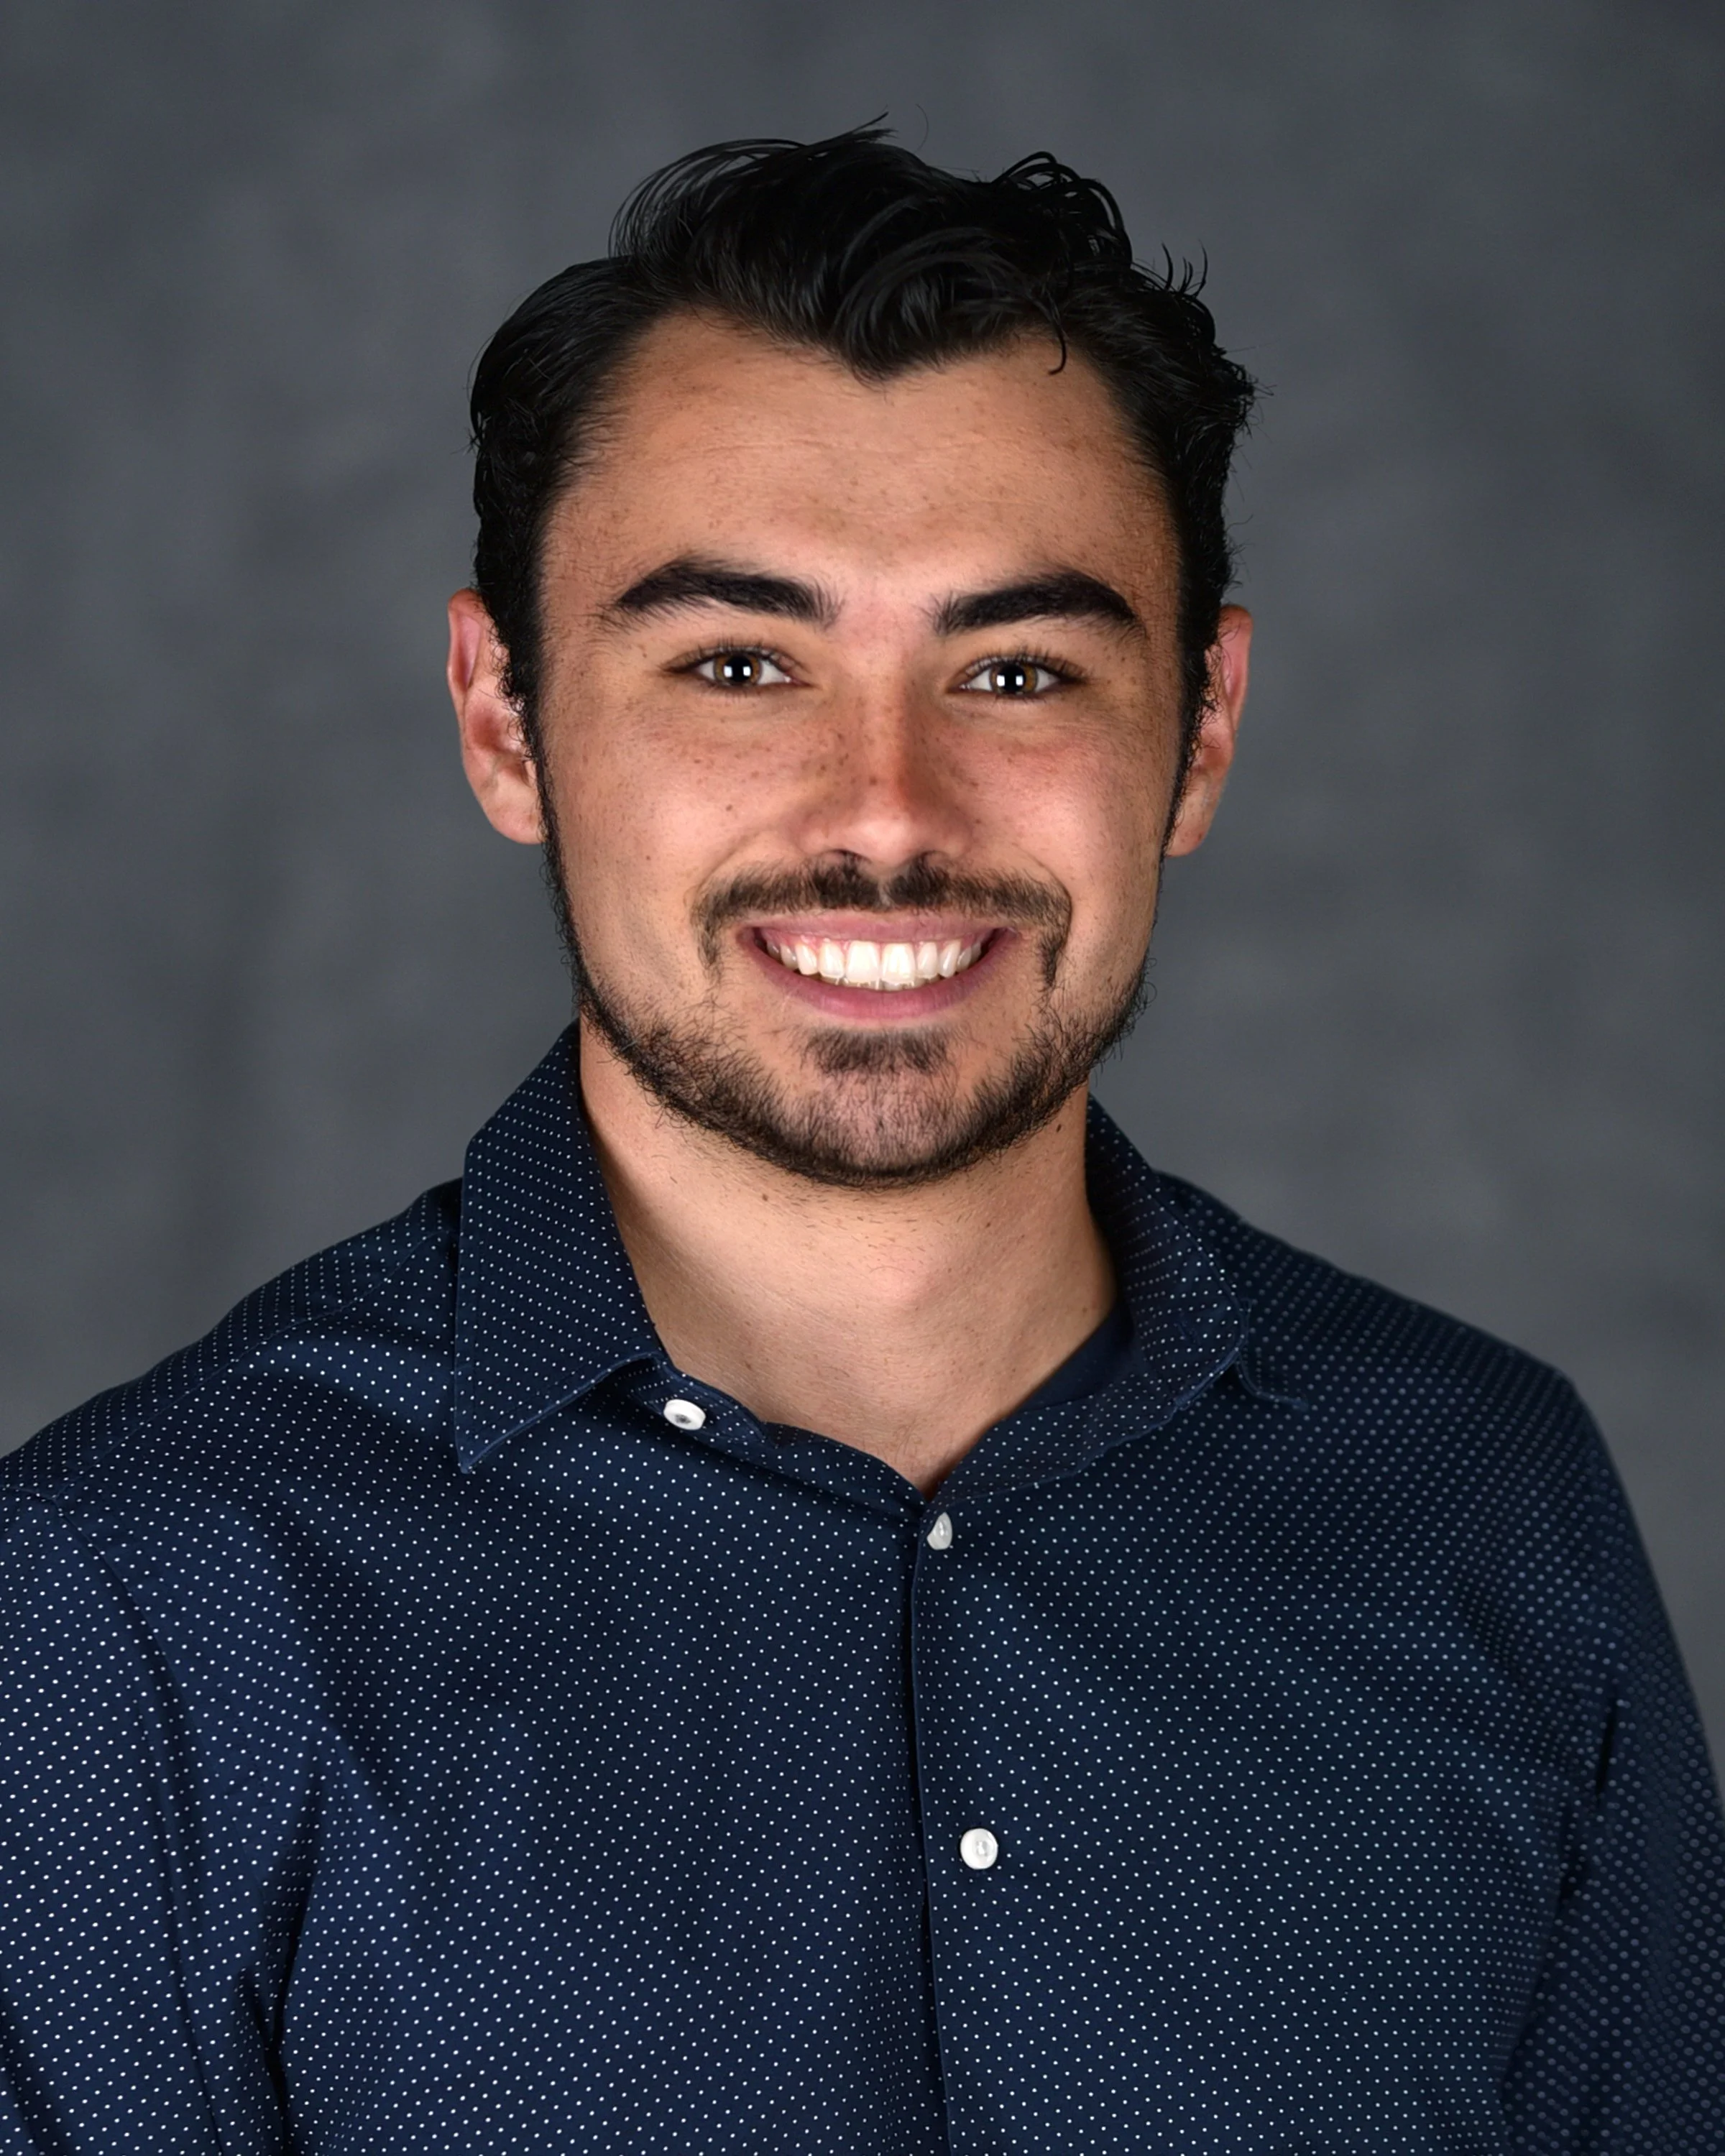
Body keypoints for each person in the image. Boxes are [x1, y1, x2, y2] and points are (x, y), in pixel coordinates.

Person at [1, 128, 1719, 2152]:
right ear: (502, 718)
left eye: (1017, 670)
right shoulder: (131, 1605)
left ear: (1202, 730)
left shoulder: (1481, 1504)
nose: (888, 810)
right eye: (741, 665)